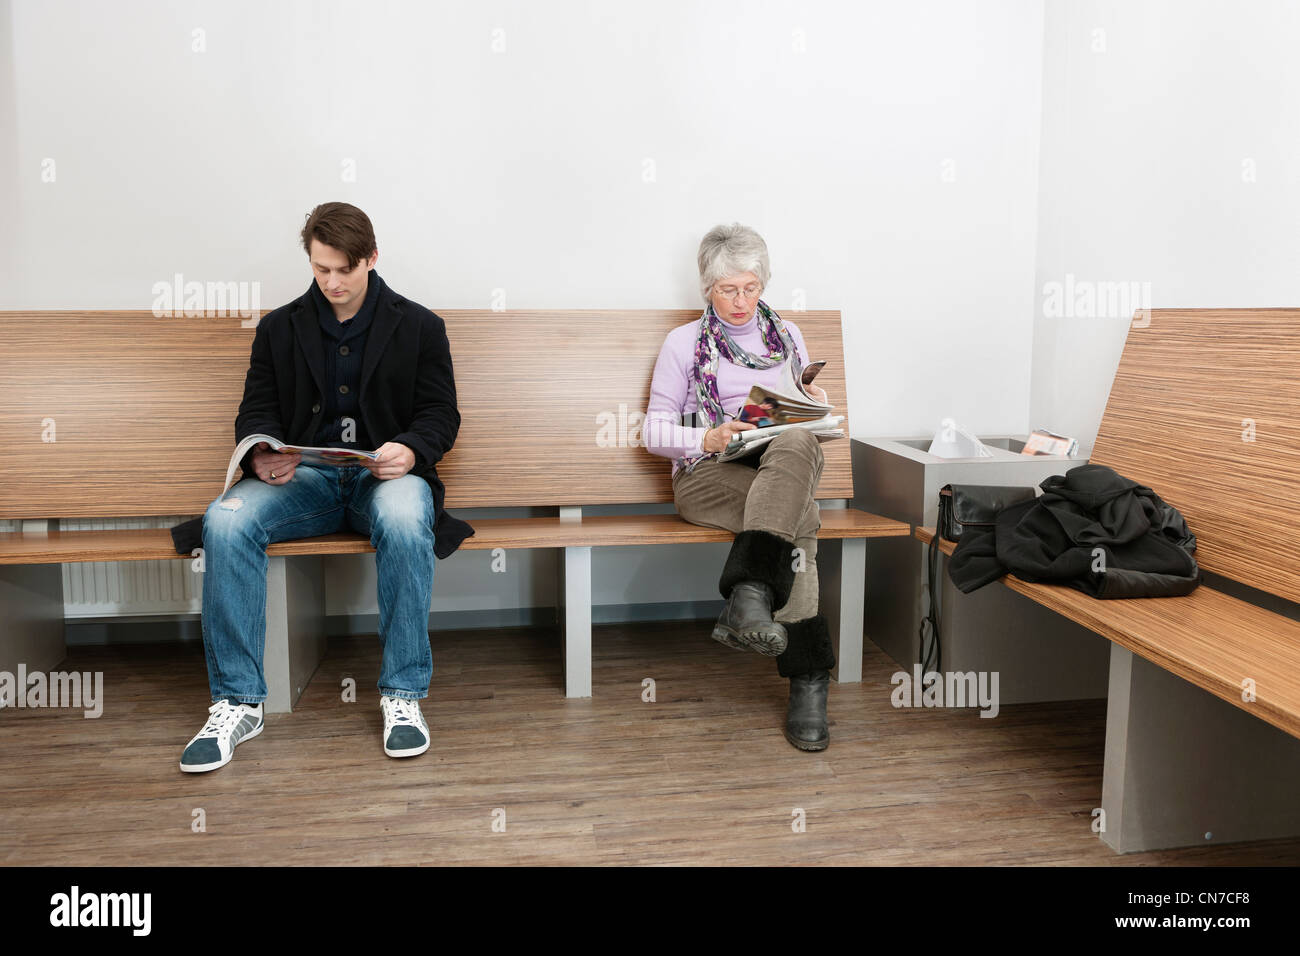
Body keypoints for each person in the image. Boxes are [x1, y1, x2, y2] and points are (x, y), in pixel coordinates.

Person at [178, 202, 472, 772]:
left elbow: (441, 415)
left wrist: (410, 449)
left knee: (410, 517)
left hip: (384, 479)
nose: (332, 283)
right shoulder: (278, 327)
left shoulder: (420, 326)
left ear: (371, 258)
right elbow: (256, 410)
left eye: (344, 269)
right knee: (226, 517)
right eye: (320, 270)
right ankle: (237, 703)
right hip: (304, 482)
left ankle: (403, 695)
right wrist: (263, 453)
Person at [644, 223, 836, 751]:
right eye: (728, 290)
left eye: (751, 287)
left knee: (797, 445)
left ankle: (748, 597)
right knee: (803, 520)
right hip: (708, 476)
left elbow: (796, 413)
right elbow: (652, 432)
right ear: (707, 287)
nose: (741, 301)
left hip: (778, 469)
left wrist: (808, 397)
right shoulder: (684, 343)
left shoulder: (788, 336)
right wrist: (708, 435)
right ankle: (809, 682)